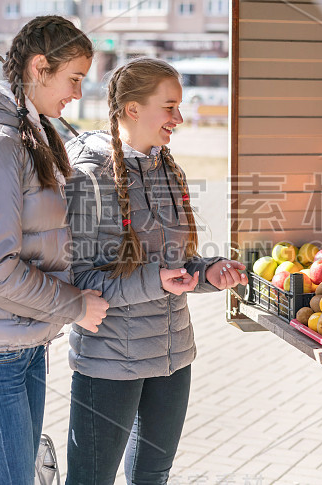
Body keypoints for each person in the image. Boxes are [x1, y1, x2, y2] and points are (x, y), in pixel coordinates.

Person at [0, 15, 110, 485]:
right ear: (39, 67)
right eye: (73, 78)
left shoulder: (31, 132)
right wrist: (74, 304)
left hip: (20, 340)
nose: (77, 93)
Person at [63, 57, 248, 484]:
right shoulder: (89, 179)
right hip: (109, 362)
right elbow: (80, 282)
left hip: (172, 359)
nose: (179, 118)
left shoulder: (167, 169)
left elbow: (175, 267)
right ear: (133, 109)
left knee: (153, 477)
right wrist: (155, 281)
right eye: (169, 107)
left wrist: (208, 273)